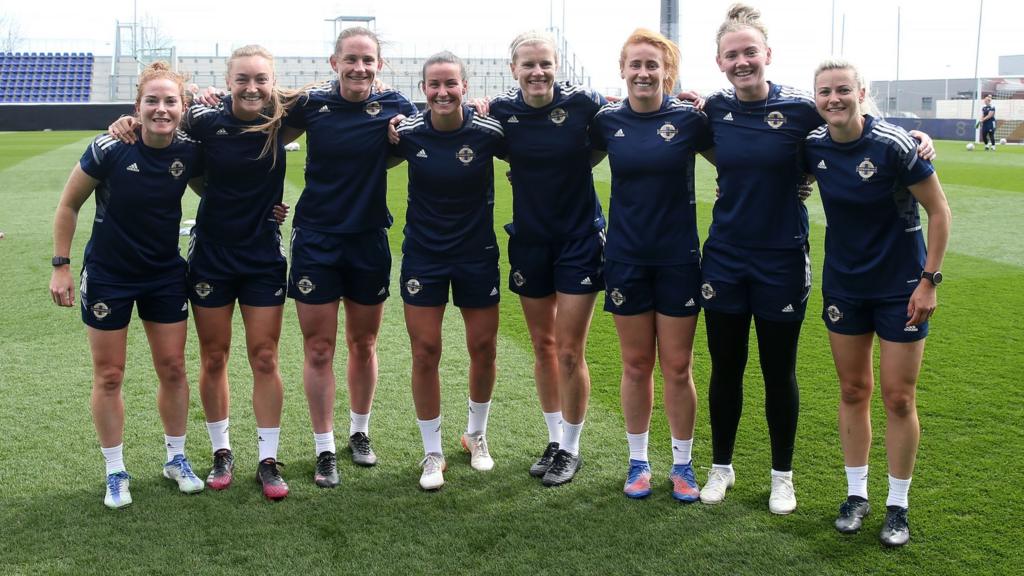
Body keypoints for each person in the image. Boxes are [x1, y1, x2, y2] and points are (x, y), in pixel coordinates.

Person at [697, 4, 936, 514]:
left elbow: (854, 119)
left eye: (750, 52)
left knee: (779, 371)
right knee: (726, 367)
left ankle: (783, 476)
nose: (743, 62)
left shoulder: (804, 108)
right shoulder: (713, 109)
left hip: (783, 257)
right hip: (724, 257)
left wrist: (916, 137)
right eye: (732, 55)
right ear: (719, 61)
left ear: (767, 55)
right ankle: (721, 468)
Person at [108, 45, 294, 500]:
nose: (252, 87)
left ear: (272, 82)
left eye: (260, 79)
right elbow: (159, 116)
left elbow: (349, 97)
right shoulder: (203, 120)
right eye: (242, 79)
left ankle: (268, 459)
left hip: (262, 256)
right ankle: (221, 451)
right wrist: (125, 122)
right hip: (212, 253)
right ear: (227, 82)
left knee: (265, 357)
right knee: (214, 357)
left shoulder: (285, 117)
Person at [805, 59, 951, 547]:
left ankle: (898, 504)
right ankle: (856, 494)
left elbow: (939, 209)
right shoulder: (814, 145)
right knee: (852, 391)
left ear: (861, 92)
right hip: (844, 286)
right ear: (816, 98)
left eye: (843, 90)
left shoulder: (893, 145)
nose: (833, 99)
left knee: (898, 396)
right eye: (824, 92)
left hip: (900, 287)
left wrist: (929, 280)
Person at [49, 61, 206, 508]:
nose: (161, 109)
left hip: (164, 275)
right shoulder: (110, 147)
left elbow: (218, 191)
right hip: (108, 275)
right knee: (110, 374)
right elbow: (68, 204)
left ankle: (176, 458)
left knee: (173, 367)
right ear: (136, 107)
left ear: (182, 106)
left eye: (170, 101)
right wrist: (61, 264)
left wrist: (267, 210)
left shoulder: (190, 151)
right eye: (151, 101)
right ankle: (115, 469)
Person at [282, 27, 417, 486]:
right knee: (319, 348)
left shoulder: (398, 106)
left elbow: (442, 130)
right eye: (351, 59)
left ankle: (359, 433)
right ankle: (324, 448)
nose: (359, 67)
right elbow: (256, 129)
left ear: (379, 65)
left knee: (364, 344)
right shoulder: (310, 104)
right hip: (317, 240)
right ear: (333, 62)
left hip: (368, 240)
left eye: (367, 60)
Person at [591, 29, 712, 501]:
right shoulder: (604, 121)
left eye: (652, 65)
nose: (643, 73)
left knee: (678, 366)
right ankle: (638, 460)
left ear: (668, 72)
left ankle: (682, 465)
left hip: (678, 258)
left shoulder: (691, 120)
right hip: (624, 258)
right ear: (623, 70)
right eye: (635, 65)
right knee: (636, 364)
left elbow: (745, 154)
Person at [486, 31, 608, 487]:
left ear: (558, 67)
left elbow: (630, 120)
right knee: (544, 347)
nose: (538, 72)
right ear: (513, 68)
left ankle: (572, 448)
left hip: (579, 239)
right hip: (531, 241)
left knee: (570, 349)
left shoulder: (584, 104)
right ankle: (555, 440)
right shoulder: (500, 112)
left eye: (545, 64)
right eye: (528, 64)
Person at [390, 51, 505, 490]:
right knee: (425, 352)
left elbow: (536, 154)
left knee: (483, 347)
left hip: (477, 254)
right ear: (423, 90)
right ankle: (432, 451)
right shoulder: (405, 133)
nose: (442, 92)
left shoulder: (489, 132)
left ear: (464, 88)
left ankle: (475, 435)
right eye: (434, 85)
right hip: (423, 256)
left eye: (450, 84)